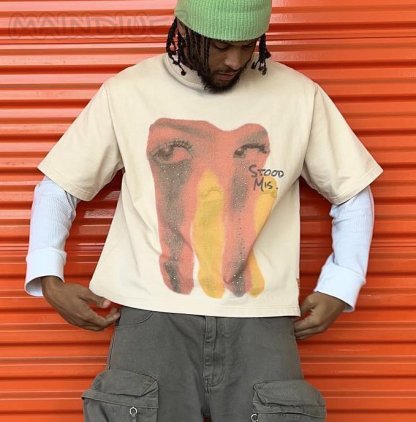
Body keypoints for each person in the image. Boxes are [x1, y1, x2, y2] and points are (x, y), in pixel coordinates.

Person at [25, 0, 383, 421]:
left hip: (261, 319)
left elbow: (352, 192)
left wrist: (342, 284)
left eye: (248, 45)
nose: (235, 61)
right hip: (151, 316)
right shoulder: (128, 92)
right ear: (184, 31)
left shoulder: (299, 97)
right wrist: (48, 277)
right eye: (220, 46)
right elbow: (60, 187)